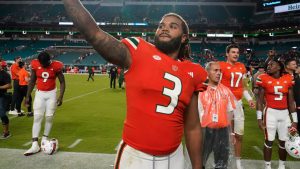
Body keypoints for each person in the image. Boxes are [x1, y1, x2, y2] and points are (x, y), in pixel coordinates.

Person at [63, 1, 207, 168]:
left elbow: (192, 128)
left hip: (174, 157)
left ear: (183, 38)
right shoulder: (138, 50)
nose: (164, 28)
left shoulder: (192, 72)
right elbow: (95, 35)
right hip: (136, 156)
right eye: (161, 26)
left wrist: (198, 166)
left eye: (173, 26)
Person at [219, 44, 255, 169]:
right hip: (224, 103)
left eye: (237, 52)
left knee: (239, 134)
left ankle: (238, 162)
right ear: (227, 54)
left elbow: (243, 86)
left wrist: (249, 99)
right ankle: (222, 160)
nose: (236, 54)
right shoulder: (221, 66)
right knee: (223, 134)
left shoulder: (241, 67)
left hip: (238, 103)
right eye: (233, 52)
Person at [256, 59, 298, 169]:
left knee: (284, 142)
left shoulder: (288, 78)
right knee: (269, 140)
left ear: (279, 67)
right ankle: (267, 166)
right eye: (268, 64)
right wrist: (259, 118)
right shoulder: (263, 78)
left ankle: (282, 166)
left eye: (271, 64)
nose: (268, 66)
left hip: (284, 114)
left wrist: (295, 120)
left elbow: (291, 101)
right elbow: (259, 101)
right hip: (270, 113)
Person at [24, 52, 65, 156]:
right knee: (37, 117)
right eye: (41, 63)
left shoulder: (56, 66)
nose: (43, 65)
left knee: (49, 117)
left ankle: (44, 140)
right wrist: (27, 96)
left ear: (49, 61)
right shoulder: (35, 64)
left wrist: (61, 96)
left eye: (45, 63)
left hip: (51, 94)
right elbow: (32, 81)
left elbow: (62, 82)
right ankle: (34, 145)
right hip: (39, 94)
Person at [198, 62, 236, 169]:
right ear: (207, 72)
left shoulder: (226, 90)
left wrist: (231, 132)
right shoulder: (200, 90)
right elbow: (196, 114)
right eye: (215, 70)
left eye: (220, 71)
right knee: (200, 161)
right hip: (205, 131)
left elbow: (230, 113)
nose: (219, 73)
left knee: (222, 163)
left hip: (223, 131)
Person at [0, 60, 12, 139]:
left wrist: (0, 87)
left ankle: (6, 132)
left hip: (1, 96)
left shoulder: (5, 74)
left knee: (2, 114)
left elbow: (9, 86)